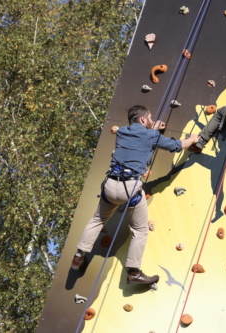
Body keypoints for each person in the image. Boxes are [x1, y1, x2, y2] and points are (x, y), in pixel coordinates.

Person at [71, 105, 199, 285]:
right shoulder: (151, 135)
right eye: (150, 117)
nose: (152, 120)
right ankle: (133, 272)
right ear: (143, 119)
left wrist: (153, 128)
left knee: (97, 220)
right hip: (129, 187)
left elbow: (140, 140)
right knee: (140, 230)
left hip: (110, 185)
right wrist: (192, 139)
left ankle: (78, 257)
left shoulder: (122, 132)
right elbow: (176, 146)